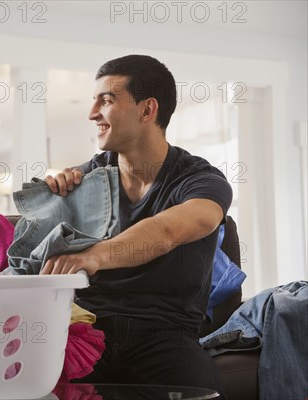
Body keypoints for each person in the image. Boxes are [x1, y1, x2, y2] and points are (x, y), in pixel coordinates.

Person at [42, 55, 232, 395]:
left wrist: (97, 255)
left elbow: (173, 228)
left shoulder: (200, 179)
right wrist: (52, 195)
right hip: (86, 329)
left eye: (107, 100)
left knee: (201, 390)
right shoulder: (83, 180)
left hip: (164, 334)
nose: (92, 113)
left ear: (147, 110)